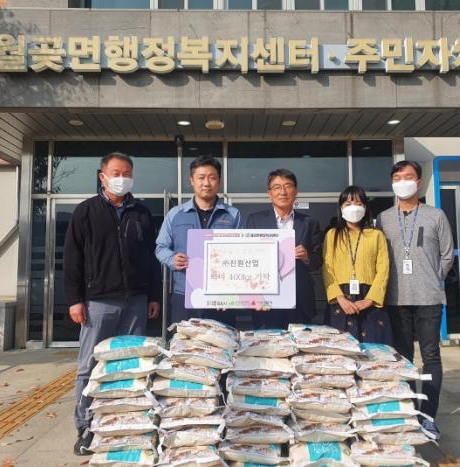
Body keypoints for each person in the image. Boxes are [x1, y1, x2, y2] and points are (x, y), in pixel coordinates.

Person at [64, 152, 161, 456]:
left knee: (131, 364)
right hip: (98, 302)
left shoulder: (141, 213)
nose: (122, 178)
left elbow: (151, 259)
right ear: (102, 176)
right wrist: (75, 300)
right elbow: (72, 259)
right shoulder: (86, 211)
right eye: (116, 173)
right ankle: (86, 428)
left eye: (127, 173)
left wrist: (153, 295)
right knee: (89, 366)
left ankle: (126, 424)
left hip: (135, 300)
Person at [376, 160, 454, 440]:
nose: (403, 182)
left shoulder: (436, 215)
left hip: (428, 298)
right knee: (403, 357)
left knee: (431, 356)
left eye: (408, 177)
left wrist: (432, 278)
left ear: (418, 182)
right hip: (395, 299)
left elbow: (447, 254)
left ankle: (428, 416)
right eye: (397, 177)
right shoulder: (383, 218)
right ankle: (408, 412)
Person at [155, 155, 241, 326]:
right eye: (201, 177)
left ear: (219, 181)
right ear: (192, 180)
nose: (206, 183)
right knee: (184, 341)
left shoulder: (232, 214)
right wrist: (172, 259)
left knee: (222, 340)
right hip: (184, 294)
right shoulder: (175, 214)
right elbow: (160, 247)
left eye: (212, 177)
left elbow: (241, 251)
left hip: (221, 297)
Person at [246, 168, 323, 328]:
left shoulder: (309, 223)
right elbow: (247, 258)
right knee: (266, 341)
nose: (283, 192)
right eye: (277, 187)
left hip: (300, 300)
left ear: (296, 191)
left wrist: (307, 257)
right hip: (266, 300)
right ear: (269, 193)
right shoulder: (255, 221)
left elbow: (318, 260)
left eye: (288, 186)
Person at [322, 185, 391, 343]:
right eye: (348, 204)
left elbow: (383, 269)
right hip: (340, 300)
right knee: (340, 349)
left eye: (358, 203)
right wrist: (339, 298)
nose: (353, 207)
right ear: (341, 208)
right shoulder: (332, 235)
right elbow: (327, 269)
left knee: (373, 349)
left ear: (365, 207)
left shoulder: (376, 235)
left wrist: (370, 299)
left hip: (369, 298)